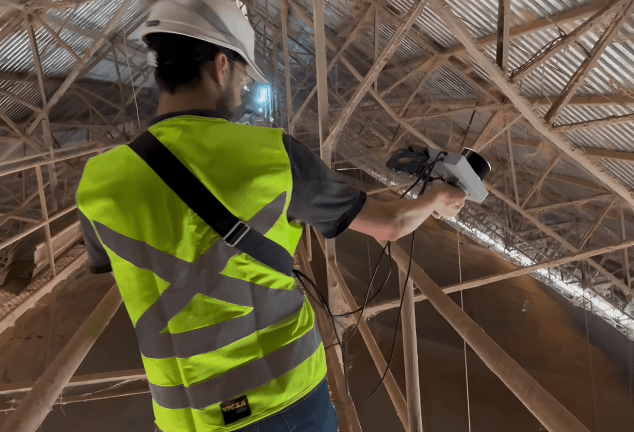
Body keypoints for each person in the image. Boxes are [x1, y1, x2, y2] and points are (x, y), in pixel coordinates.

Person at [75, 0, 466, 431]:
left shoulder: (99, 181)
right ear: (221, 65)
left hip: (184, 421)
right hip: (287, 403)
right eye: (243, 76)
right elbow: (390, 225)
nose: (242, 92)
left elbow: (132, 266)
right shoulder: (270, 155)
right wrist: (434, 201)